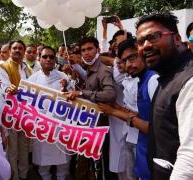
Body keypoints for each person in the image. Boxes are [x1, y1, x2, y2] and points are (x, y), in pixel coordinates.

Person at [135, 11, 193, 179]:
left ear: (176, 38)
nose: (145, 45)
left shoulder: (188, 80)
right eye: (140, 41)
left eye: (153, 36)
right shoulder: (169, 75)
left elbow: (190, 157)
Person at [99, 38, 159, 180]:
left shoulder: (153, 81)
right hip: (132, 139)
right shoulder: (137, 79)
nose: (128, 65)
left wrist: (114, 112)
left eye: (132, 58)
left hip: (148, 148)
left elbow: (156, 128)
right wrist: (118, 108)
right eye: (124, 61)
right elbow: (139, 113)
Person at [66, 37, 116, 180]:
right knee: (85, 158)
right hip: (89, 122)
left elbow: (110, 94)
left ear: (98, 50)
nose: (86, 53)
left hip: (100, 125)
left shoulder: (103, 70)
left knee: (99, 162)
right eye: (83, 50)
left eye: (90, 49)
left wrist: (82, 93)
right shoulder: (89, 69)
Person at [27, 46, 72, 180]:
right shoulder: (32, 79)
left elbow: (73, 99)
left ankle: (61, 177)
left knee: (63, 158)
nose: (48, 59)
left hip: (61, 125)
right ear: (39, 58)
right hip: (41, 126)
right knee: (43, 161)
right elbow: (27, 104)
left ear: (55, 59)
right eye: (45, 56)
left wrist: (66, 88)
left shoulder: (64, 77)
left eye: (51, 57)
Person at [0, 40, 32, 180]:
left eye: (20, 48)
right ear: (10, 51)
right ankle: (14, 177)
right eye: (14, 48)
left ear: (24, 51)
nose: (17, 50)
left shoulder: (28, 69)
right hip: (12, 115)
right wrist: (9, 89)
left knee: (24, 149)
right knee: (12, 150)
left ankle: (23, 175)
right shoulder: (4, 67)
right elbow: (5, 88)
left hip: (27, 115)